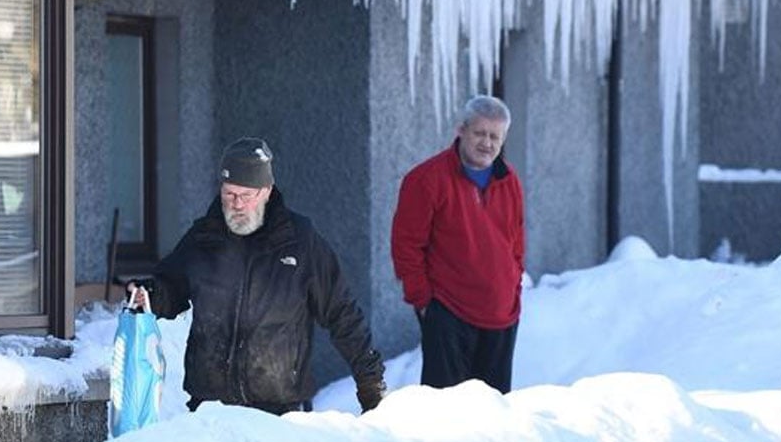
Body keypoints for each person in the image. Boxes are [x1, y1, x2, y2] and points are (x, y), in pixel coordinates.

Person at [128, 137, 386, 415]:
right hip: (211, 411)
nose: (236, 204)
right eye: (229, 193)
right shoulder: (204, 237)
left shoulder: (299, 241)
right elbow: (172, 286)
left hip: (279, 413)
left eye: (246, 195)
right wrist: (151, 295)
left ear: (267, 191)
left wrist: (370, 382)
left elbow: (342, 313)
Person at [390, 95, 525, 395]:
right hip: (448, 313)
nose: (487, 143)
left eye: (495, 136)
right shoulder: (426, 179)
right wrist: (424, 302)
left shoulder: (510, 180)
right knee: (446, 414)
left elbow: (515, 241)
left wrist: (513, 285)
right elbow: (406, 245)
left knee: (493, 413)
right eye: (480, 133)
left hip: (501, 316)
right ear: (461, 130)